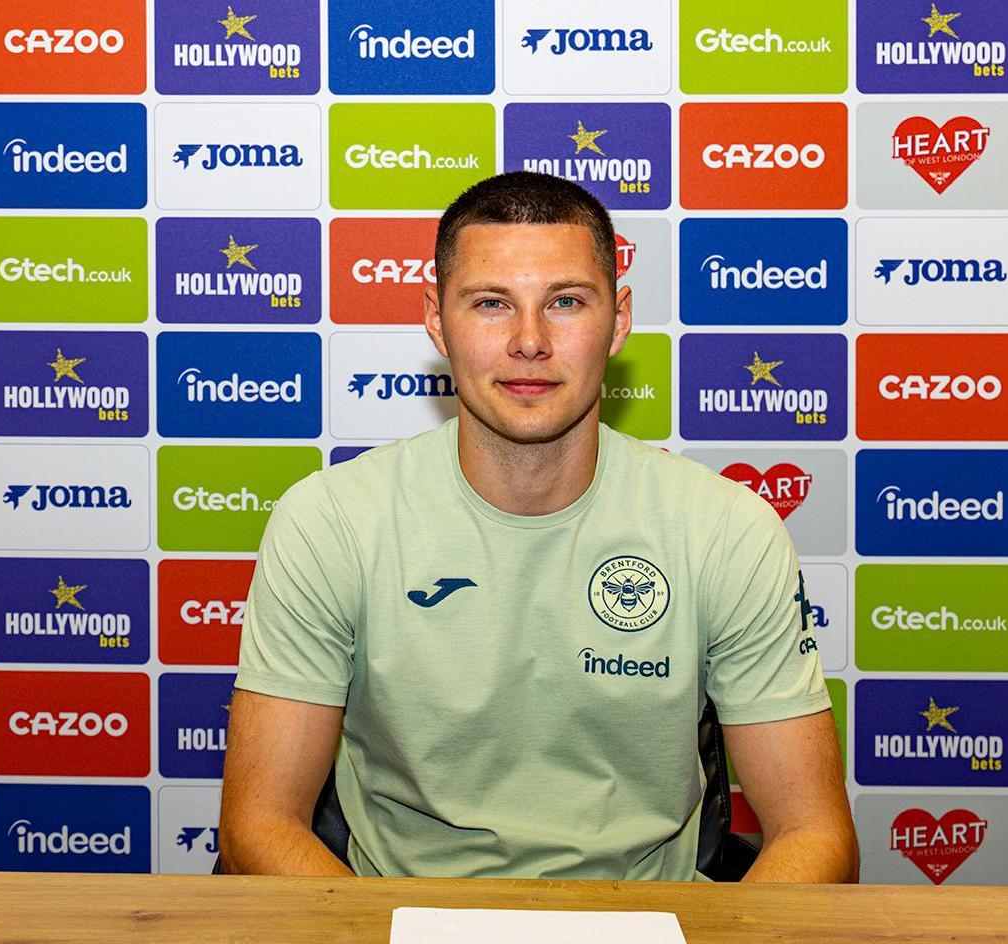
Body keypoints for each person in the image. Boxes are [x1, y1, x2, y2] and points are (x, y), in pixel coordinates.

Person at [217, 171, 857, 883]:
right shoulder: (331, 521)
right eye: (491, 303)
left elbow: (814, 833)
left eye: (566, 302)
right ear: (436, 319)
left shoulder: (726, 529)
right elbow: (259, 823)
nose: (529, 340)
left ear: (618, 321)